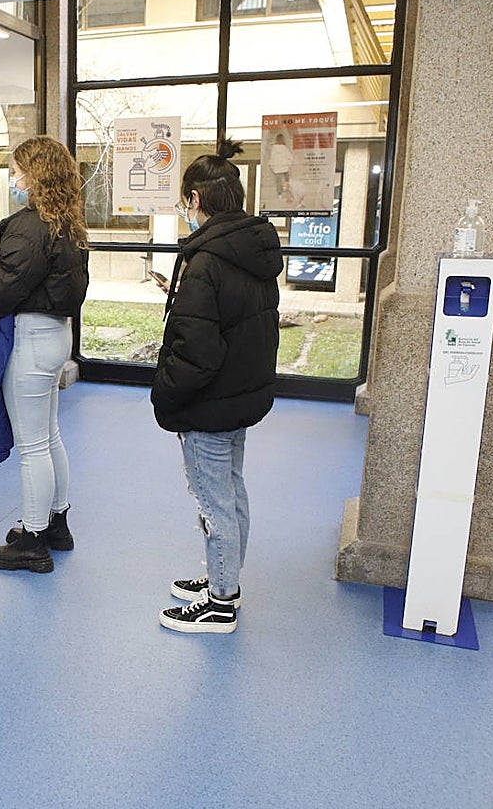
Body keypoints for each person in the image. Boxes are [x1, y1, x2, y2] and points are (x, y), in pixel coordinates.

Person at [0, 135, 89, 575]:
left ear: (35, 175)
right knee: (49, 436)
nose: (12, 178)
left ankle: (33, 540)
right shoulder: (67, 222)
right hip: (57, 334)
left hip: (32, 340)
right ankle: (56, 524)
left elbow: (1, 285)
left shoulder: (31, 225)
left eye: (16, 170)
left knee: (32, 447)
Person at [153, 138, 282, 634]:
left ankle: (220, 602)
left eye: (185, 202)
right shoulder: (253, 252)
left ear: (195, 200)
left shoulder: (206, 261)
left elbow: (196, 352)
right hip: (240, 395)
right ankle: (225, 580)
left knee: (214, 502)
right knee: (232, 492)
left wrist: (166, 394)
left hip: (208, 404)